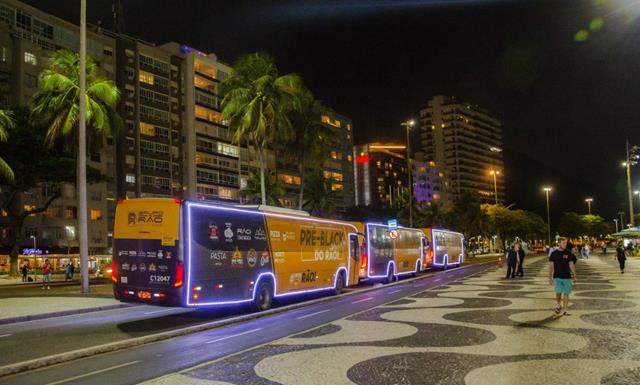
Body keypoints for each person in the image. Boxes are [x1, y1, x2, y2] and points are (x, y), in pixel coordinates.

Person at [549, 237, 577, 316]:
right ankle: (558, 305)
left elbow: (571, 264)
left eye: (566, 243)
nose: (565, 244)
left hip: (567, 276)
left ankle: (565, 309)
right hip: (557, 276)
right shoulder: (554, 253)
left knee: (566, 293)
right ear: (559, 244)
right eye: (563, 243)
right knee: (558, 292)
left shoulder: (568, 253)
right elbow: (551, 265)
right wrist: (550, 277)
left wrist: (574, 275)